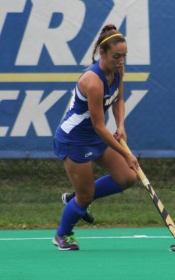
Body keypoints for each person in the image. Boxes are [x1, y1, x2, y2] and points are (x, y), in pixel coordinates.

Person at [52, 24, 139, 250]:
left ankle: (78, 198)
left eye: (124, 56)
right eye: (116, 56)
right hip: (74, 139)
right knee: (86, 196)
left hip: (93, 135)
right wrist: (126, 153)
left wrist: (121, 125)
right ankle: (62, 234)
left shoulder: (117, 70)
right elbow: (100, 127)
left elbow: (118, 100)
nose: (121, 61)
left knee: (127, 177)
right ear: (102, 53)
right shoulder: (93, 82)